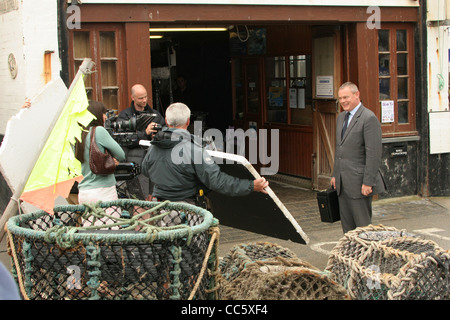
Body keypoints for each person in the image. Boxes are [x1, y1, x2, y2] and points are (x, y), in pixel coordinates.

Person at [141, 102, 268, 204]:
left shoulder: (154, 146)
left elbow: (145, 170)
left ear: (167, 121)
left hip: (159, 209)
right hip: (187, 210)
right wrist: (251, 186)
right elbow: (217, 182)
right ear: (188, 121)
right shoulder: (194, 150)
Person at [331, 82, 386, 233]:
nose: (343, 101)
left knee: (363, 228)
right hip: (343, 183)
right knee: (347, 229)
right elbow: (339, 149)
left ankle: (366, 256)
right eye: (340, 98)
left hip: (360, 183)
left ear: (357, 95)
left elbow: (373, 154)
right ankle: (351, 255)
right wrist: (335, 175)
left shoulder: (368, 118)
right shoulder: (341, 117)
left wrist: (368, 182)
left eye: (346, 97)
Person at [75, 101, 126, 224]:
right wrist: (112, 159)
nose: (106, 117)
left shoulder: (77, 133)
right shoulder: (99, 131)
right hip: (103, 192)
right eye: (104, 113)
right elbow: (121, 154)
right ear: (97, 115)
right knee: (109, 234)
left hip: (84, 192)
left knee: (90, 234)